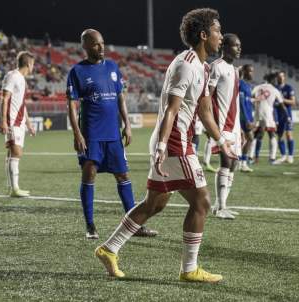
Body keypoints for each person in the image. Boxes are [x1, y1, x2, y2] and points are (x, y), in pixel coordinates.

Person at [95, 8, 233, 283]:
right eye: (218, 31)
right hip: (173, 143)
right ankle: (189, 269)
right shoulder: (186, 64)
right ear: (204, 35)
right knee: (202, 202)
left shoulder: (203, 68)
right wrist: (161, 148)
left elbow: (205, 112)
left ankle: (108, 249)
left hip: (176, 142)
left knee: (154, 204)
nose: (221, 36)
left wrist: (221, 141)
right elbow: (171, 110)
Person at [67, 29, 156, 239]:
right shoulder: (77, 71)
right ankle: (90, 226)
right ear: (86, 46)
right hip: (91, 135)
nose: (101, 47)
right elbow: (71, 106)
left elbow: (120, 98)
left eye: (102, 43)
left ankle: (134, 226)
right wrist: (77, 134)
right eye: (97, 44)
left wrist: (127, 124)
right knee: (89, 176)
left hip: (113, 134)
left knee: (123, 175)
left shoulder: (113, 67)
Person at [208, 33, 243, 219]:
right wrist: (209, 125)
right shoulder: (216, 67)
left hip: (234, 126)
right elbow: (207, 97)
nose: (239, 48)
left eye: (239, 45)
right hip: (221, 124)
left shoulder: (235, 70)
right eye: (236, 45)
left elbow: (235, 100)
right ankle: (220, 207)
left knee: (234, 163)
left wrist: (240, 129)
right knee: (226, 162)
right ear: (226, 47)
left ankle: (221, 205)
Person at [0, 51, 36, 198]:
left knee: (12, 154)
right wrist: (3, 120)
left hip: (19, 122)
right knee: (16, 153)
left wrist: (29, 124)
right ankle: (14, 188)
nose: (33, 67)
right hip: (12, 121)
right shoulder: (12, 76)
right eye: (33, 64)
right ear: (28, 64)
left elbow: (21, 104)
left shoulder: (21, 79)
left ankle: (12, 187)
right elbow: (4, 98)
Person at [252, 72, 282, 164]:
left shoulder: (257, 87)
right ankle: (272, 158)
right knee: (272, 135)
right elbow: (281, 103)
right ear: (272, 79)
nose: (276, 81)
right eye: (275, 79)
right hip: (268, 116)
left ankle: (252, 157)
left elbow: (251, 98)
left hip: (258, 115)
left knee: (256, 136)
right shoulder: (274, 90)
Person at [272, 71, 296, 164]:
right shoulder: (274, 88)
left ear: (284, 77)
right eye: (279, 77)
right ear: (276, 78)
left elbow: (293, 102)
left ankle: (290, 156)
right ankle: (283, 156)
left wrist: (282, 99)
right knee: (280, 136)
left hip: (287, 115)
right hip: (277, 115)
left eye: (282, 76)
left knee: (289, 134)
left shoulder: (288, 88)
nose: (281, 78)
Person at [238, 64, 255, 172]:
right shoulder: (241, 84)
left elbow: (248, 102)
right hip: (243, 118)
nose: (252, 73)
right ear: (244, 72)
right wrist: (247, 119)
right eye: (250, 71)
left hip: (247, 117)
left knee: (245, 139)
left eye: (252, 71)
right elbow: (241, 103)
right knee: (249, 139)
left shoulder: (247, 85)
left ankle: (240, 162)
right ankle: (242, 163)